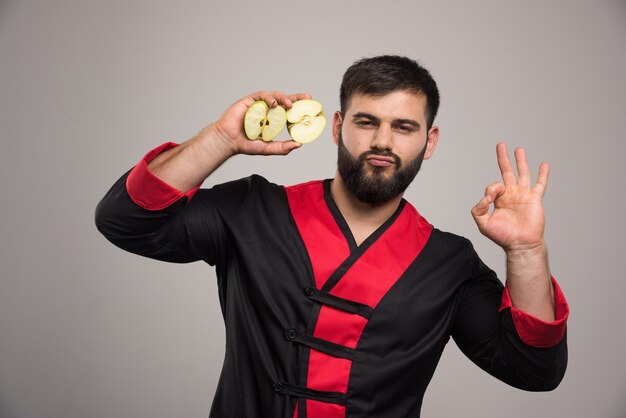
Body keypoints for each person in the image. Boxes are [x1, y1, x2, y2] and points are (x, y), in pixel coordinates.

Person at [95, 55, 568, 418]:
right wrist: (220, 139)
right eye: (367, 122)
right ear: (338, 127)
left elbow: (534, 370)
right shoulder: (254, 208)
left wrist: (527, 251)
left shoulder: (450, 263)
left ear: (430, 142)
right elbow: (125, 219)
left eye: (404, 127)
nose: (383, 141)